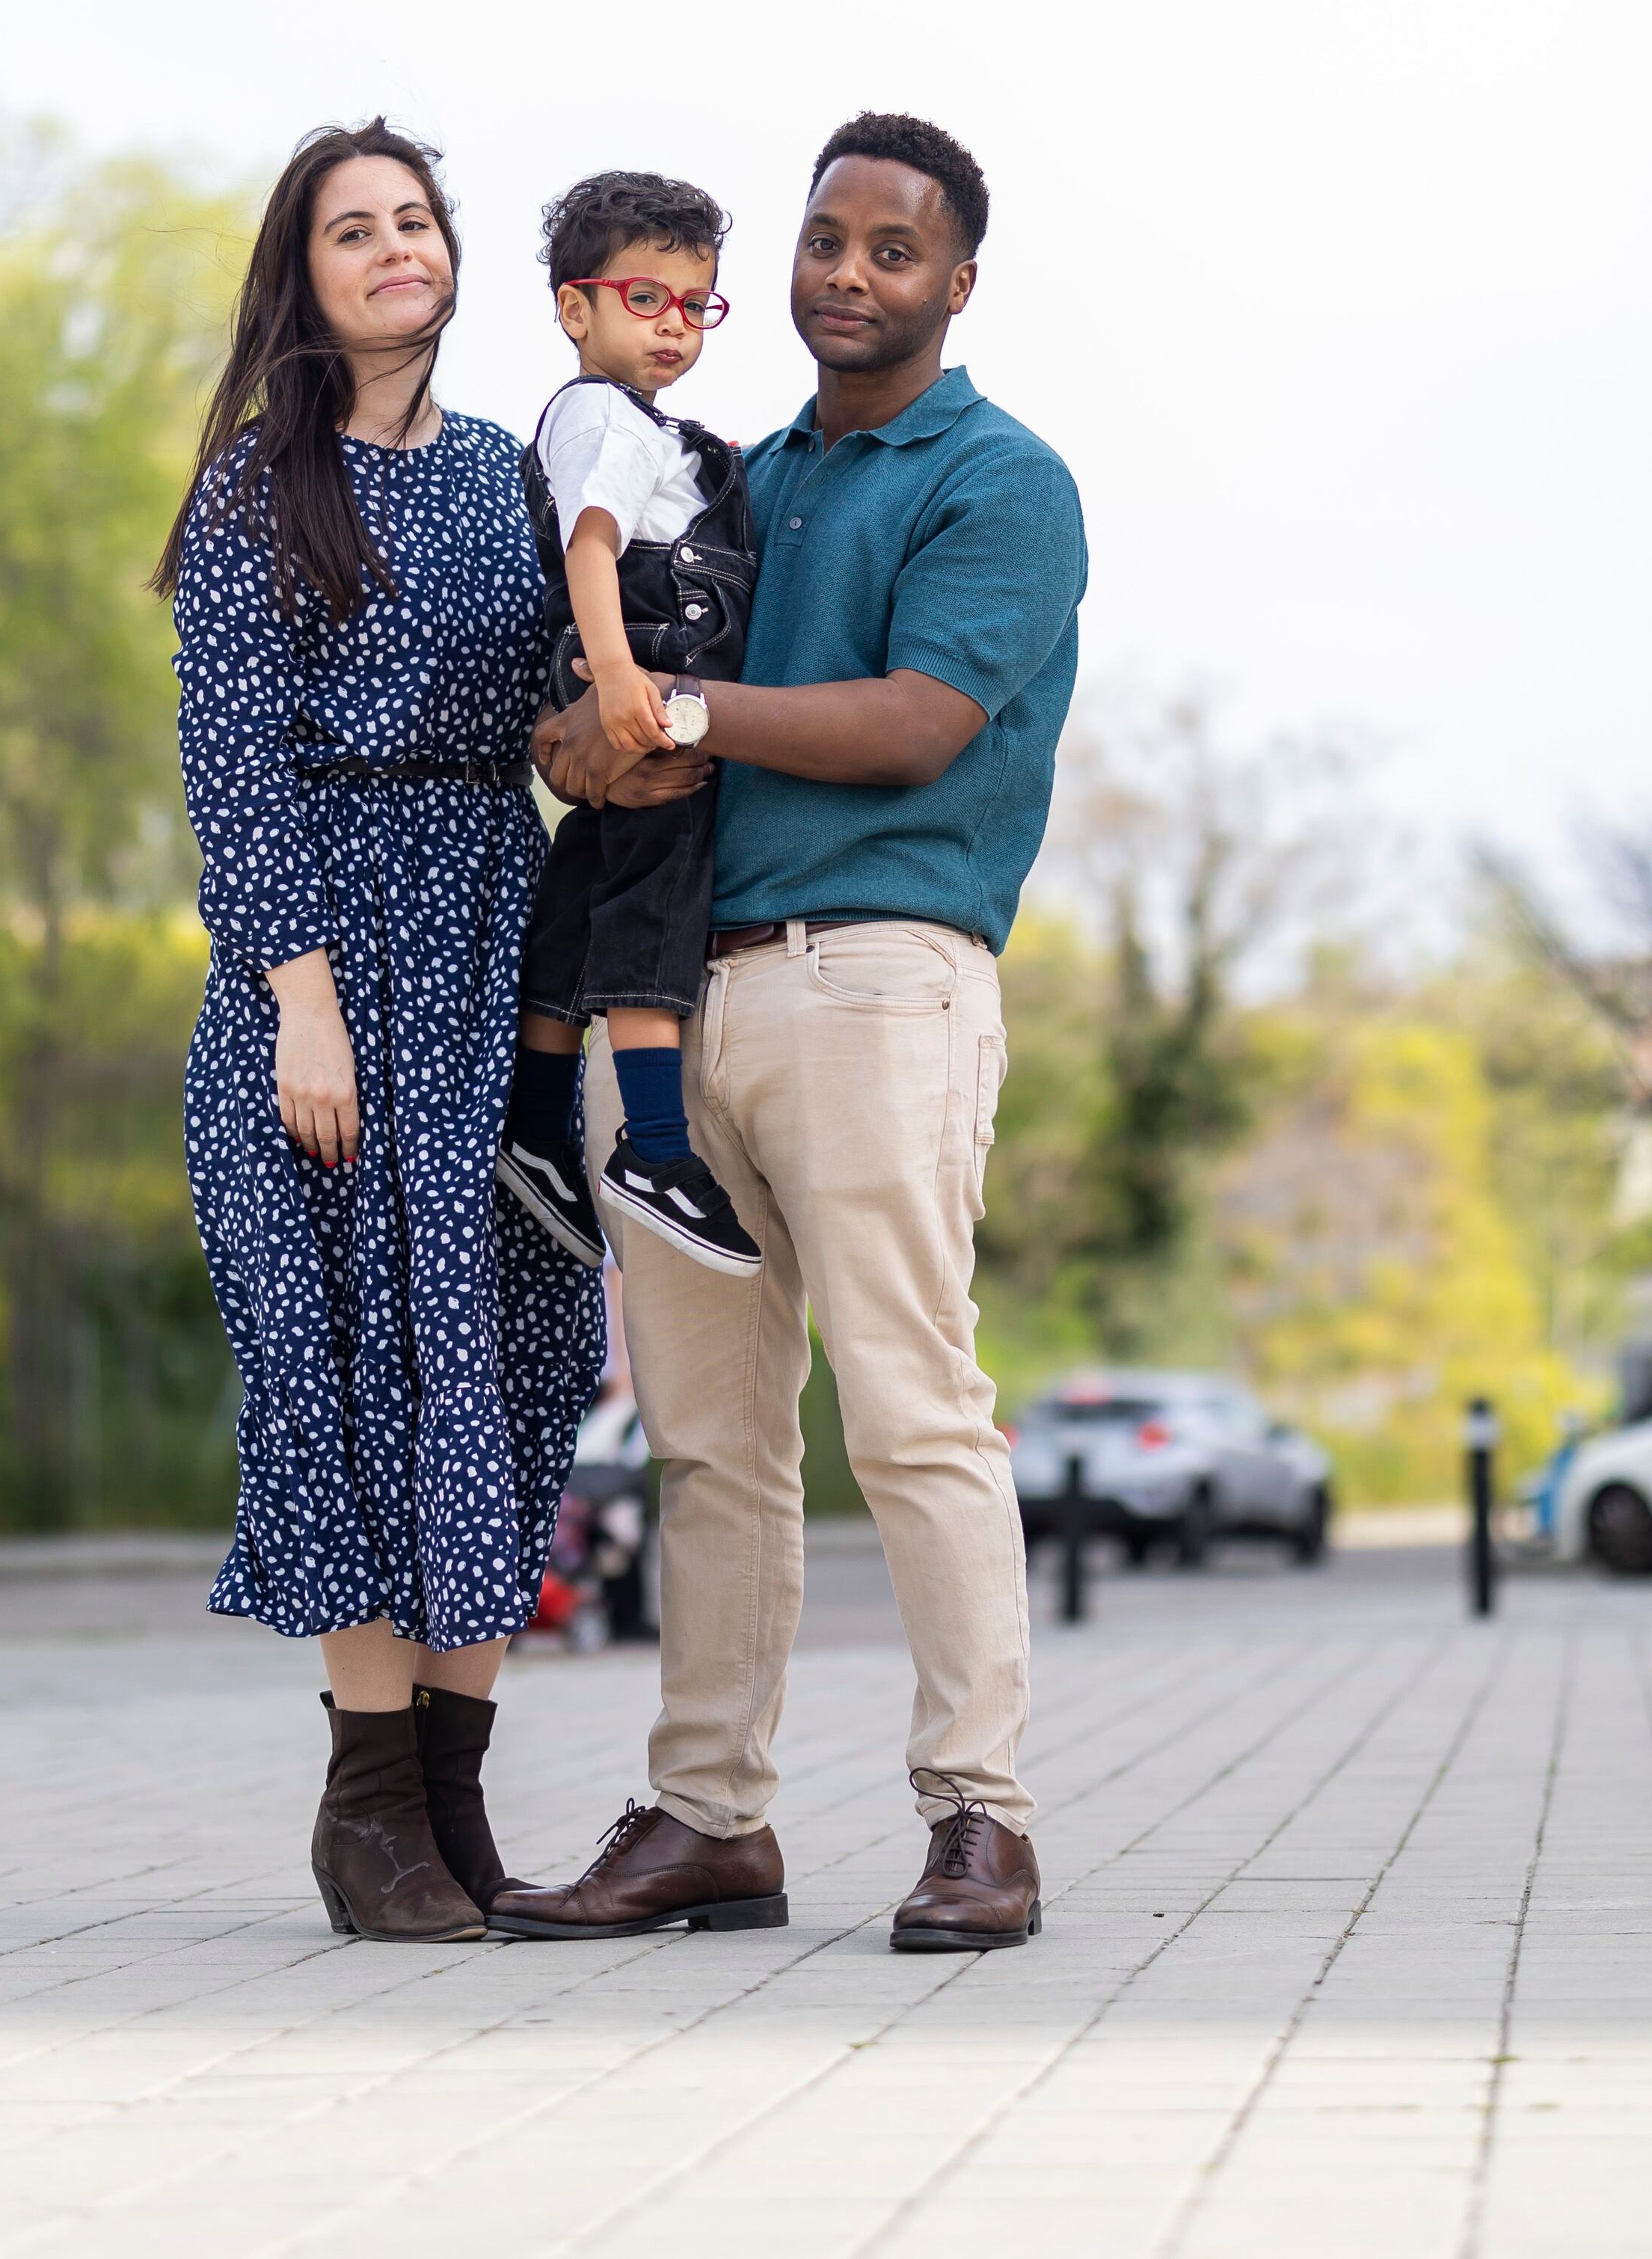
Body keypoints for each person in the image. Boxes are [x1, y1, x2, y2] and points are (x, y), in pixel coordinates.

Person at [493, 114, 1084, 1954]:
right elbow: (600, 690)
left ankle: (979, 1819)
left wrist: (665, 702)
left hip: (879, 979)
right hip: (673, 993)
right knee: (708, 1439)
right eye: (825, 239)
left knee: (913, 1410)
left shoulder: (999, 478)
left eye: (891, 249)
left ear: (955, 281)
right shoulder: (728, 472)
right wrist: (568, 732)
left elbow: (914, 723)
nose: (848, 272)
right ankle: (707, 1817)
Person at [159, 119, 606, 1946]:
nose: (394, 248)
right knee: (339, 1378)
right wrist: (303, 1002)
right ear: (306, 270)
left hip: (496, 934)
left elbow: (566, 703)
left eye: (416, 220)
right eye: (355, 228)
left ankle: (454, 1793)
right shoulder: (261, 491)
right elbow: (233, 764)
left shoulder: (512, 471)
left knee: (505, 1363)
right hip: (324, 974)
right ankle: (364, 1812)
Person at [497, 170, 764, 1281]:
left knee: (588, 887)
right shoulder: (603, 417)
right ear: (577, 309)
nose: (674, 326)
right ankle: (653, 1146)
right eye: (645, 300)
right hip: (650, 663)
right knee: (658, 886)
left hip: (630, 656)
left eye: (695, 304)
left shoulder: (638, 424)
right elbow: (595, 545)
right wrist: (617, 680)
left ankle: (538, 1122)